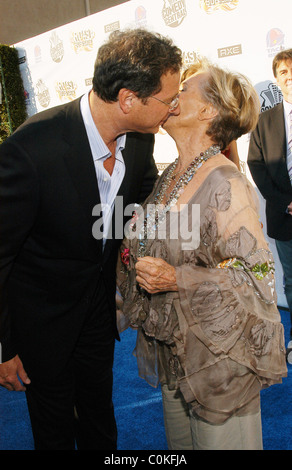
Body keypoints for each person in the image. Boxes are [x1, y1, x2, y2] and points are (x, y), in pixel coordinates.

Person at [0, 28, 182, 450]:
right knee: (55, 431)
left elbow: (141, 207)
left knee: (101, 422)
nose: (173, 108)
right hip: (40, 327)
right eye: (167, 99)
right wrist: (4, 347)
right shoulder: (31, 148)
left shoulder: (139, 141)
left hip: (99, 317)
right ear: (127, 99)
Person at [117, 59, 287, 450]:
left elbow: (258, 277)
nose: (174, 95)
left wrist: (177, 279)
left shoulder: (227, 182)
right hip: (177, 359)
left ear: (209, 110)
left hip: (220, 369)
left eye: (186, 89)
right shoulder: (171, 175)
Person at [248, 49, 292, 363]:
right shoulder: (265, 120)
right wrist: (284, 203)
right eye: (283, 74)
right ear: (277, 80)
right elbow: (256, 163)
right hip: (285, 215)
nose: (289, 78)